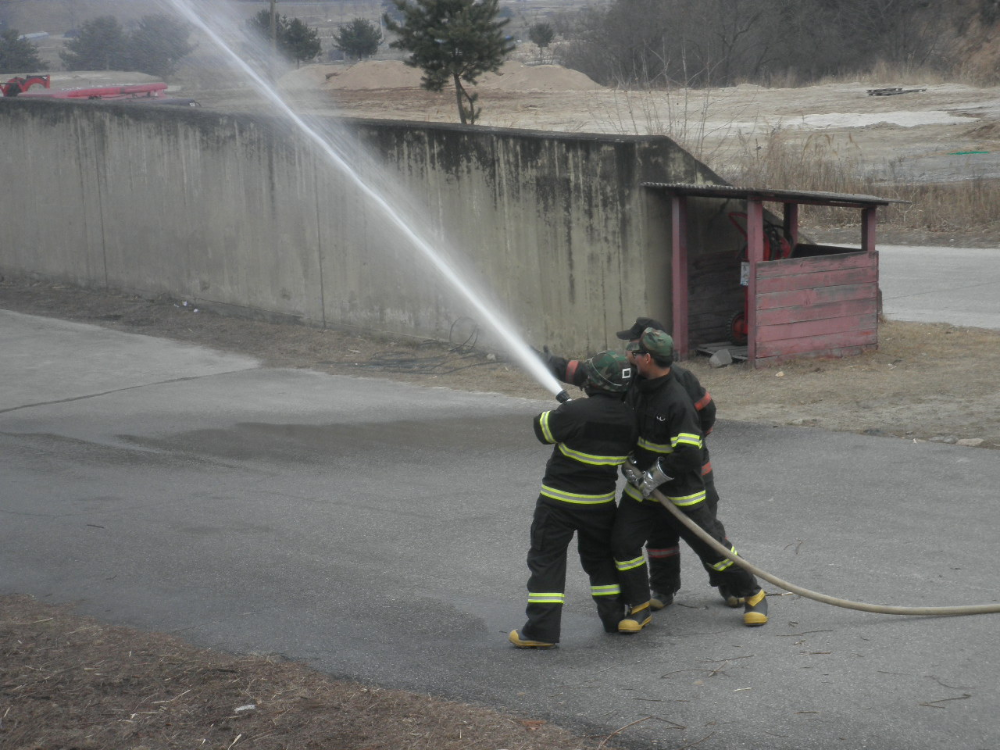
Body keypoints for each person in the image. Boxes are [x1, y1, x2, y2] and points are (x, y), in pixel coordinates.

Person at [612, 327, 767, 631]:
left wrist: (653, 476)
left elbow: (688, 455)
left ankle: (753, 593)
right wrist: (629, 463)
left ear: (647, 359)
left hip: (680, 491)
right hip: (641, 489)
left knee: (712, 548)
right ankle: (639, 605)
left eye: (636, 353)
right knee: (623, 542)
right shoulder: (637, 387)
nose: (631, 356)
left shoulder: (676, 401)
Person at [509, 351, 638, 648]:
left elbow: (542, 428)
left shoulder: (577, 412)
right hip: (600, 505)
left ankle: (541, 632)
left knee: (547, 561)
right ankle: (614, 618)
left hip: (558, 504)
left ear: (594, 382)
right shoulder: (631, 419)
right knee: (601, 561)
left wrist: (568, 411)